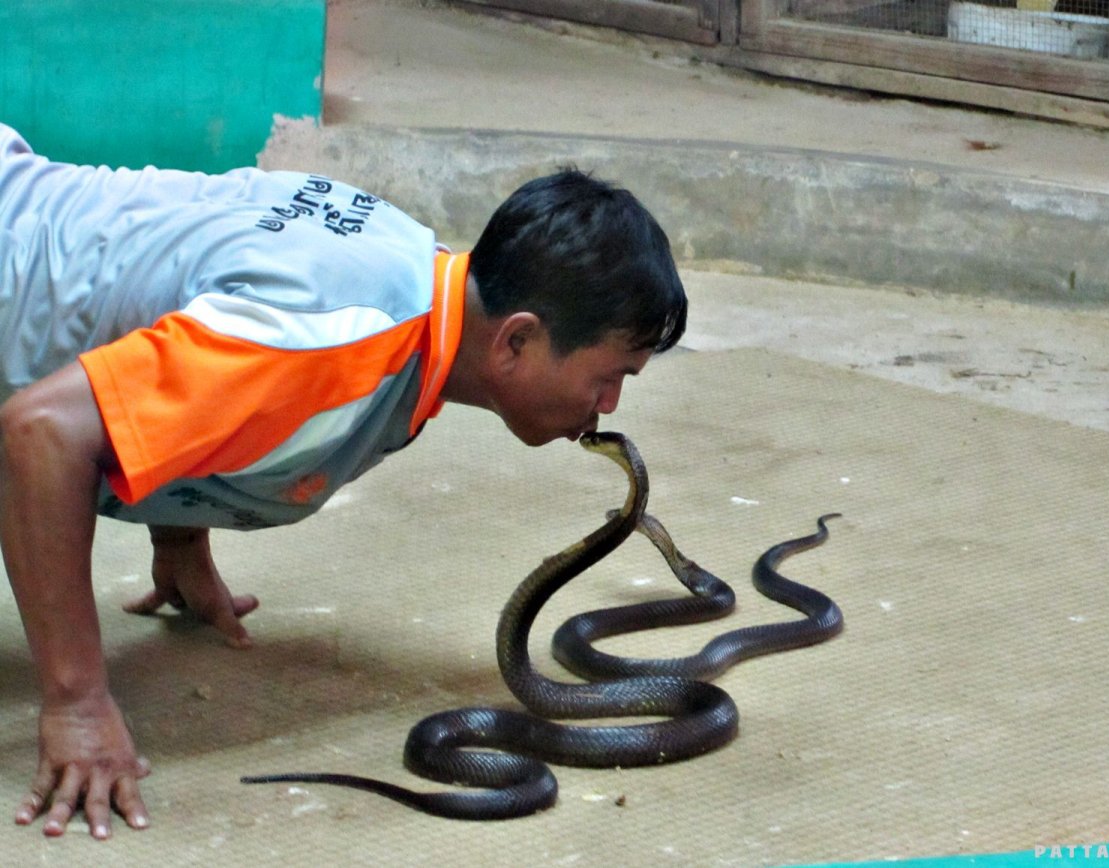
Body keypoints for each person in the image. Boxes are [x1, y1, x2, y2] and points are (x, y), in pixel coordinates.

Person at [0, 122, 687, 840]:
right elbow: (41, 433)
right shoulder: (338, 337)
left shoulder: (405, 271)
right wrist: (76, 702)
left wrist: (178, 534)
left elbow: (188, 318)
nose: (608, 406)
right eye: (608, 378)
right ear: (516, 340)